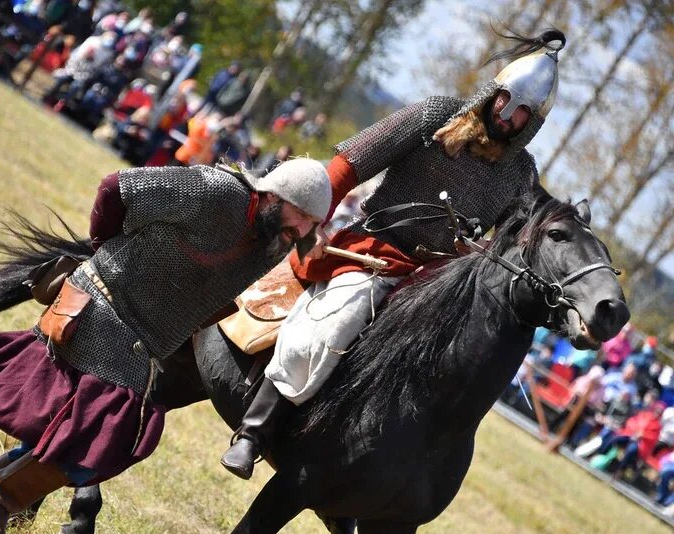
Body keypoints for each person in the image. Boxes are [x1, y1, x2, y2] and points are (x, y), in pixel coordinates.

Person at [0, 159, 331, 534]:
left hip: (140, 343)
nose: (302, 231)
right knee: (107, 434)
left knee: (84, 434)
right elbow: (117, 187)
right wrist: (104, 253)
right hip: (101, 306)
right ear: (276, 195)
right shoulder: (216, 191)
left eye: (311, 225)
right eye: (302, 217)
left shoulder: (271, 246)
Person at [221, 29, 568, 480]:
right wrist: (311, 217)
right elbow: (351, 164)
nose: (511, 116)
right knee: (338, 321)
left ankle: (355, 484)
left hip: (433, 286)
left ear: (533, 123)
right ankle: (255, 431)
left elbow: (514, 244)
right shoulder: (435, 118)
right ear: (495, 92)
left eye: (525, 112)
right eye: (509, 101)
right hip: (374, 253)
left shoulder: (520, 173)